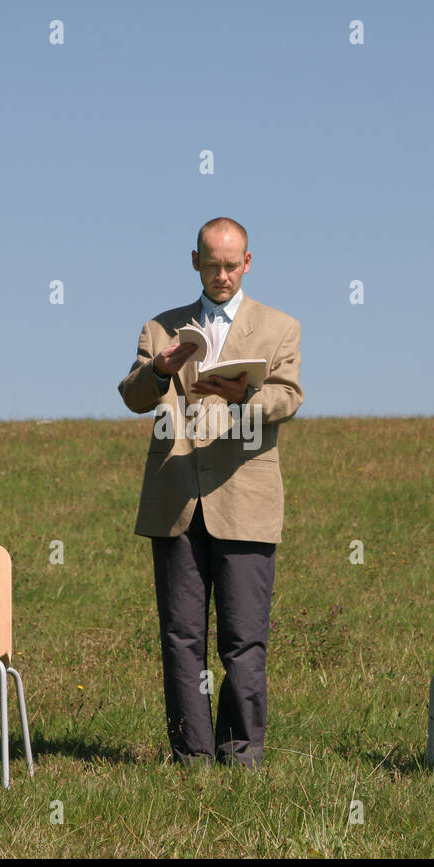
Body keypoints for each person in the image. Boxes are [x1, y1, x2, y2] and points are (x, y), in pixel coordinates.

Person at [117, 216, 303, 767]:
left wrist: (242, 396)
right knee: (181, 638)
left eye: (231, 264)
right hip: (176, 500)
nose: (222, 275)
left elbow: (289, 396)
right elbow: (132, 396)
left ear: (248, 263)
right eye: (212, 263)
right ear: (194, 261)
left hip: (246, 500)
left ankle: (241, 754)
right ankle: (190, 755)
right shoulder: (160, 328)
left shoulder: (280, 326)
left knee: (244, 640)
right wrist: (160, 368)